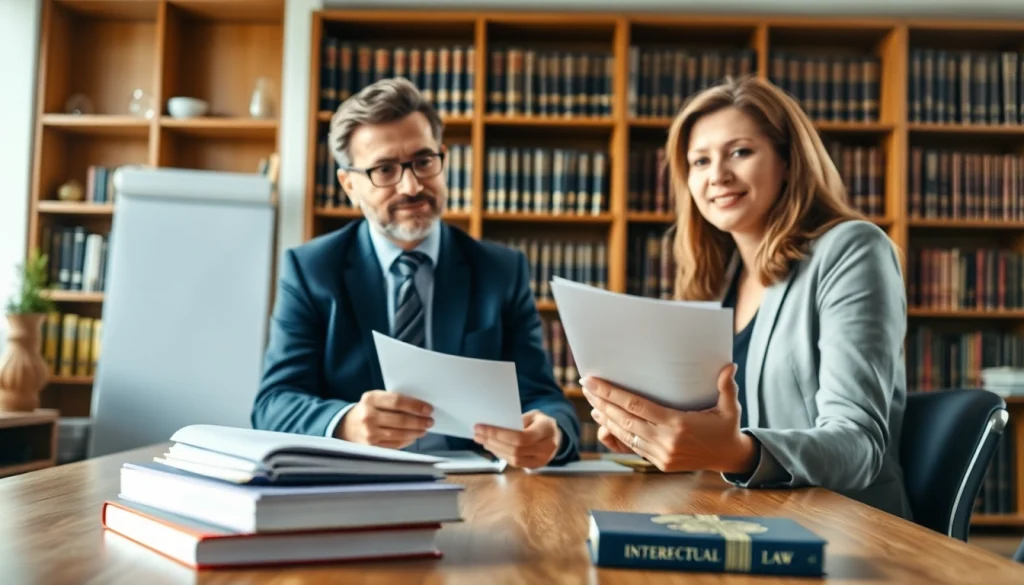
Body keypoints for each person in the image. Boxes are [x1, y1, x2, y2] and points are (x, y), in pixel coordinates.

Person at [581, 75, 912, 519]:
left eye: (740, 151)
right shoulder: (717, 283)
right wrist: (656, 440)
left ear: (788, 161)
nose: (717, 175)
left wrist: (736, 451)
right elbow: (713, 443)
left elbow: (859, 445)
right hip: (740, 516)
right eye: (700, 161)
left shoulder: (852, 249)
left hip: (846, 529)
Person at [252, 77, 580, 469]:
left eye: (424, 161)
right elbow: (273, 405)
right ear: (349, 185)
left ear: (442, 159)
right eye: (385, 169)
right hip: (354, 483)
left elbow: (544, 398)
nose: (411, 185)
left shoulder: (500, 271)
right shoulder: (311, 271)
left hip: (475, 485)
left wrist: (551, 433)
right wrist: (346, 424)